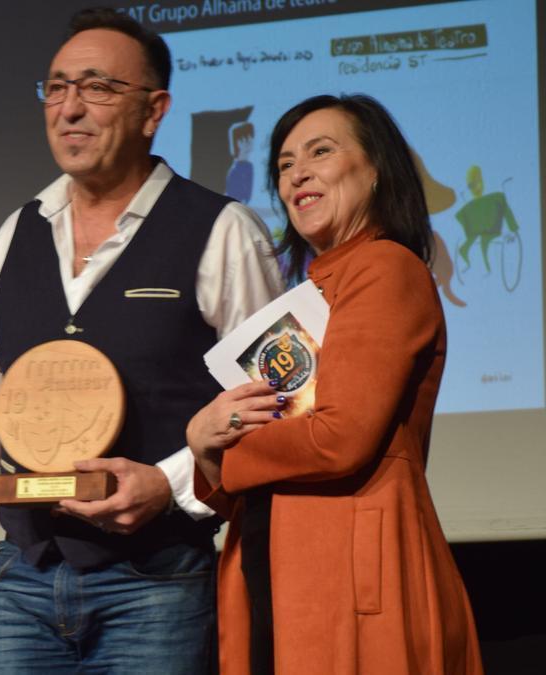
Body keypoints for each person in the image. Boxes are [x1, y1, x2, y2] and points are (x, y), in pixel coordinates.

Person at [0, 8, 283, 673]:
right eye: (56, 87)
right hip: (21, 577)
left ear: (154, 109)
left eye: (98, 87)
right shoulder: (17, 231)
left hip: (157, 584)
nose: (70, 108)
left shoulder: (223, 230)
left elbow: (276, 399)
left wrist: (169, 485)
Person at [186, 94, 483, 675]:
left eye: (321, 151)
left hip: (350, 577)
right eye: (285, 165)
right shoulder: (315, 292)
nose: (297, 173)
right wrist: (204, 444)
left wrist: (221, 444)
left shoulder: (384, 267)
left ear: (376, 170)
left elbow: (340, 437)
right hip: (284, 567)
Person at [225, 121, 255, 203]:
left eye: (251, 137)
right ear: (237, 142)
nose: (250, 141)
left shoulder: (249, 166)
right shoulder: (235, 171)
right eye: (245, 139)